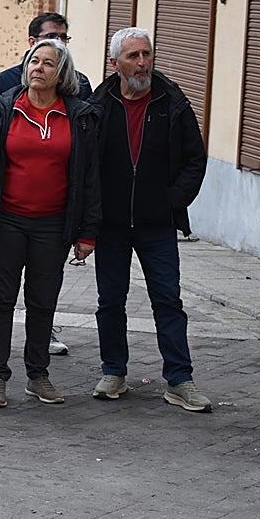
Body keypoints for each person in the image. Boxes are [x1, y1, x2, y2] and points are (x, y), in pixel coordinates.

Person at [0, 39, 100, 409]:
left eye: (48, 63)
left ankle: (38, 375)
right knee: (0, 301)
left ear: (60, 73)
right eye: (34, 61)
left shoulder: (78, 116)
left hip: (53, 225)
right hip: (5, 221)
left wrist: (87, 232)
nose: (39, 68)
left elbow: (90, 179)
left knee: (42, 301)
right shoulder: (5, 109)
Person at [89, 27, 211, 412]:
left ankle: (179, 379)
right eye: (133, 56)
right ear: (115, 63)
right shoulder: (99, 105)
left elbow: (195, 159)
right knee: (110, 300)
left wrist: (171, 202)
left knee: (167, 300)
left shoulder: (172, 101)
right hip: (111, 225)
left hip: (156, 224)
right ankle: (114, 371)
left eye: (146, 54)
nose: (142, 63)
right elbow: (86, 167)